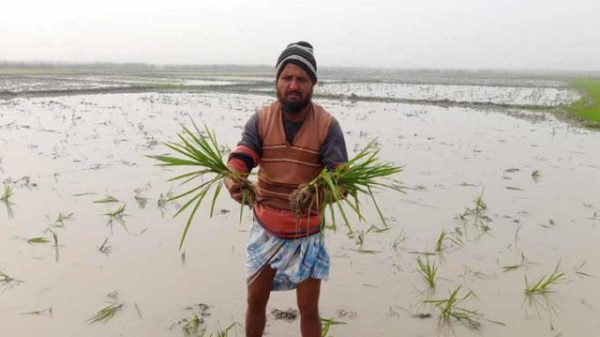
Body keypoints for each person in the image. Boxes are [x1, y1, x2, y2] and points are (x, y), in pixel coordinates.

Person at [224, 41, 348, 337]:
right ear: (277, 81)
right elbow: (242, 157)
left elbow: (341, 181)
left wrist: (317, 193)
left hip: (307, 233)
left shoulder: (328, 127)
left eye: (301, 79)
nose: (294, 85)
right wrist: (234, 180)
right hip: (265, 228)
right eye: (287, 78)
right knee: (255, 302)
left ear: (313, 83)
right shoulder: (261, 121)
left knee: (308, 309)